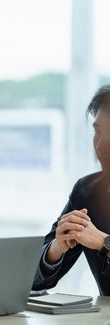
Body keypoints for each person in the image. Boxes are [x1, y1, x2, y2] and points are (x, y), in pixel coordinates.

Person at [33, 85, 110, 295]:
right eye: (97, 131)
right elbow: (35, 281)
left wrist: (104, 243)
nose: (101, 145)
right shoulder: (87, 191)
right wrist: (57, 247)